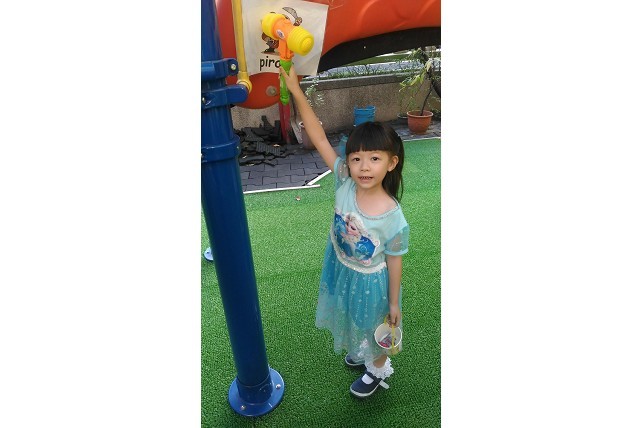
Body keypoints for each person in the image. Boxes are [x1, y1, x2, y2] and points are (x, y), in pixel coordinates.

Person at [280, 65, 409, 398]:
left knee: (373, 323)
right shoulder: (344, 181)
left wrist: (394, 302)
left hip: (370, 281)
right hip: (342, 266)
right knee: (352, 314)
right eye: (356, 159)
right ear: (347, 162)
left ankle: (377, 368)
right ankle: (362, 350)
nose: (364, 167)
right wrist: (296, 91)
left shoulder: (392, 216)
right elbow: (319, 136)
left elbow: (395, 260)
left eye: (375, 159)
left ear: (391, 163)